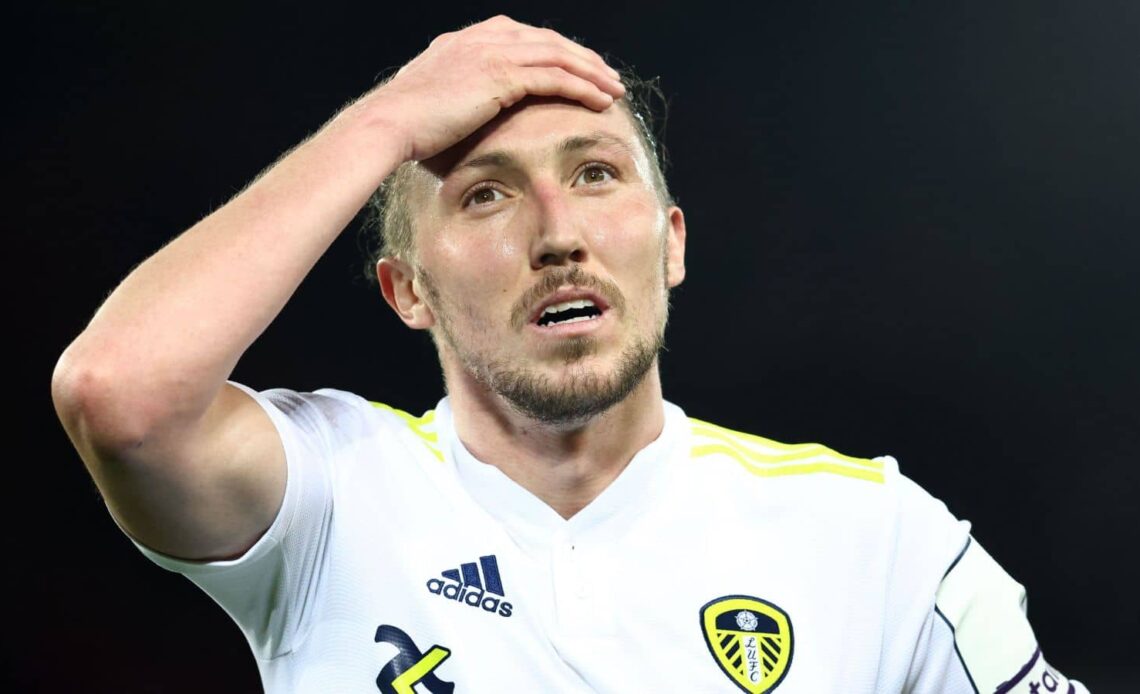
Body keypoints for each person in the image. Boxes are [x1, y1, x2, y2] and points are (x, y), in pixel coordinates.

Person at [51, 15, 1087, 694]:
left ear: (671, 242)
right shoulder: (331, 495)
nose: (558, 233)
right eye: (485, 192)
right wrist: (388, 118)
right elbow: (119, 393)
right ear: (406, 290)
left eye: (596, 173)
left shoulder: (882, 539)